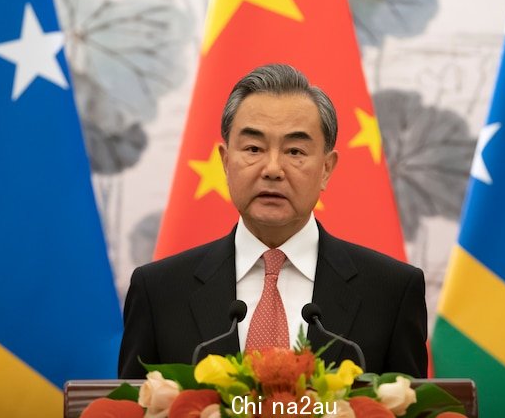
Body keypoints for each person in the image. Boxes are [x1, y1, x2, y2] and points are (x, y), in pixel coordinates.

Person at [119, 64, 427, 378]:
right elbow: (126, 408)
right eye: (253, 148)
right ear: (226, 162)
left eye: (295, 151)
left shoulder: (391, 292)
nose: (273, 169)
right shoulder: (159, 292)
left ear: (326, 169)